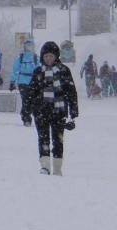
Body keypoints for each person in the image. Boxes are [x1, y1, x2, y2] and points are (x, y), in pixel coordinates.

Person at [26, 40, 79, 176]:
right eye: (46, 56)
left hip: (59, 111)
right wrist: (27, 108)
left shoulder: (64, 71)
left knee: (58, 140)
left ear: (56, 56)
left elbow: (71, 91)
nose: (48, 58)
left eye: (51, 56)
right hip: (41, 111)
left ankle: (57, 168)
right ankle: (45, 166)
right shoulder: (38, 72)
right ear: (42, 57)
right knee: (43, 138)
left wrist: (73, 112)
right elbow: (31, 92)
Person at [9, 37, 40, 126]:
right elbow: (15, 70)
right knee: (26, 100)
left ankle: (25, 114)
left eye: (30, 45)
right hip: (22, 82)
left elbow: (40, 69)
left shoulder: (36, 58)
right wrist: (12, 82)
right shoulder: (20, 57)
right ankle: (26, 118)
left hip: (33, 82)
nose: (29, 47)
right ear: (25, 47)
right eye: (27, 45)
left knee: (32, 100)